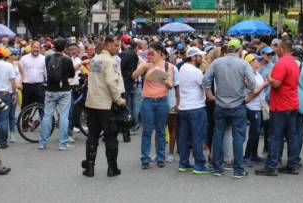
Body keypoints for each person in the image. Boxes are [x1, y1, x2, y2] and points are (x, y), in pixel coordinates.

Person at [203, 39, 255, 179]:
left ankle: (217, 168)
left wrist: (209, 94)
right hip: (238, 104)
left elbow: (205, 79)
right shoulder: (243, 64)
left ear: (227, 49)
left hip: (220, 104)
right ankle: (238, 170)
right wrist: (248, 94)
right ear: (239, 50)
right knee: (238, 137)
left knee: (218, 135)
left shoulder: (217, 62)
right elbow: (253, 83)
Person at [82, 36, 126, 178]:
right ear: (107, 46)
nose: (118, 48)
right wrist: (119, 100)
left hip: (92, 102)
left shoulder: (95, 59)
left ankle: (89, 168)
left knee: (93, 136)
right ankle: (112, 168)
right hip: (106, 104)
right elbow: (111, 82)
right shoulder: (110, 61)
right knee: (111, 136)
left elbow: (94, 79)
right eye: (115, 45)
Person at [255, 38, 300, 176]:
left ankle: (272, 165)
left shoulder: (281, 63)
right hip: (292, 103)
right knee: (292, 135)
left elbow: (276, 84)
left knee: (275, 136)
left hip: (281, 105)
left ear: (283, 48)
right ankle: (292, 164)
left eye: (277, 47)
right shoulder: (294, 63)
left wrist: (269, 77)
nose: (275, 50)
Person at [132, 41, 174, 169]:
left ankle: (160, 157)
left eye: (152, 53)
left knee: (161, 131)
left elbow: (170, 85)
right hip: (148, 101)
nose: (149, 55)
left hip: (162, 100)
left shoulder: (168, 66)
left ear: (160, 53)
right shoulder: (146, 64)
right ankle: (145, 158)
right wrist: (144, 66)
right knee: (147, 131)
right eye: (148, 53)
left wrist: (164, 80)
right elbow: (133, 76)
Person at [177, 47, 213, 174]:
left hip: (184, 107)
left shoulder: (182, 68)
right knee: (197, 137)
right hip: (196, 107)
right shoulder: (196, 71)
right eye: (200, 56)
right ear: (193, 57)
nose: (201, 59)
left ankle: (184, 163)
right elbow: (205, 84)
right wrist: (207, 68)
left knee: (184, 136)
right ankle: (199, 164)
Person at [38, 38, 75, 150]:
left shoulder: (48, 58)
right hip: (64, 89)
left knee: (47, 116)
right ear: (64, 47)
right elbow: (72, 74)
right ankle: (63, 143)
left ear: (53, 47)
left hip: (50, 90)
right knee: (64, 116)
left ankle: (42, 142)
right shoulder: (67, 59)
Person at [244, 54, 268, 166]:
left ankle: (254, 155)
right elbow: (254, 91)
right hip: (252, 106)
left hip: (259, 106)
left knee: (257, 132)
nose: (259, 61)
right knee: (254, 132)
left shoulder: (257, 73)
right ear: (250, 62)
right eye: (256, 60)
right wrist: (266, 83)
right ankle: (247, 156)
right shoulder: (248, 75)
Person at [19, 42, 46, 111]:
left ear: (40, 49)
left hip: (39, 86)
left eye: (37, 48)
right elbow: (19, 73)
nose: (36, 49)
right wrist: (19, 83)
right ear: (31, 48)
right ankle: (25, 121)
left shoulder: (44, 59)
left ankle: (43, 121)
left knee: (41, 107)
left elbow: (46, 73)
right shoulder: (24, 58)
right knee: (26, 107)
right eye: (34, 47)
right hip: (27, 86)